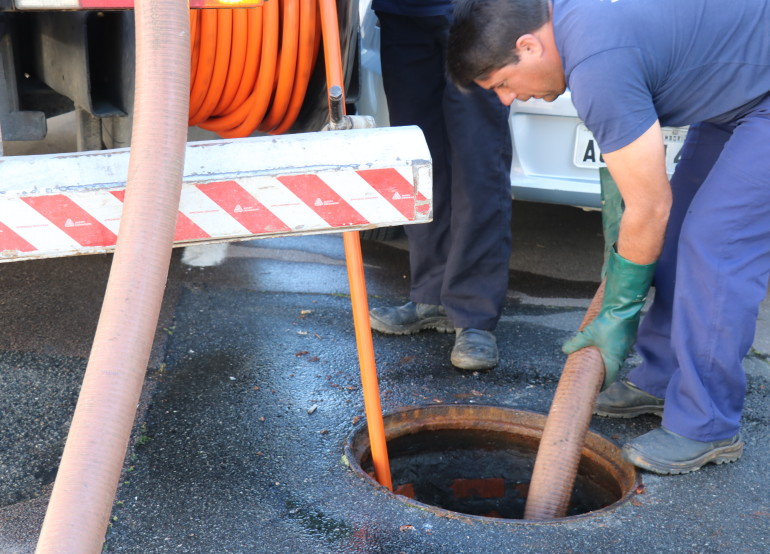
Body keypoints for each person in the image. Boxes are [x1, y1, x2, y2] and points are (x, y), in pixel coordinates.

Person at [446, 0, 770, 474]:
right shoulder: (579, 29)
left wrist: (618, 312)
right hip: (739, 89)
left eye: (502, 84)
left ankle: (707, 424)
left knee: (715, 244)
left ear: (528, 45)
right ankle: (660, 378)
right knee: (679, 230)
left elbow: (649, 206)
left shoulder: (596, 63)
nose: (507, 100)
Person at [367, 0, 514, 370]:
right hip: (404, 11)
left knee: (478, 161)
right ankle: (430, 293)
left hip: (480, 14)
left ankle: (473, 312)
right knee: (418, 156)